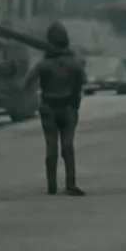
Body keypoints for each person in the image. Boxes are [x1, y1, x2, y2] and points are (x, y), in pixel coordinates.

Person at [24, 21, 86, 196]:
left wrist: (36, 98)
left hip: (49, 108)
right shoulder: (74, 62)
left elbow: (27, 82)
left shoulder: (43, 64)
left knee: (51, 149)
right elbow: (83, 81)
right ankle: (70, 184)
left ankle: (52, 185)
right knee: (68, 147)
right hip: (68, 108)